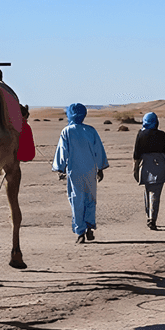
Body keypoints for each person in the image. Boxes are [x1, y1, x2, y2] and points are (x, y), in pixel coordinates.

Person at [52, 103, 108, 244]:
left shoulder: (67, 131)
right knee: (90, 198)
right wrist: (100, 168)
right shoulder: (91, 130)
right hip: (90, 170)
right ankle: (89, 227)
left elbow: (62, 151)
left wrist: (60, 168)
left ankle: (80, 231)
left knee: (77, 200)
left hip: (74, 171)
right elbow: (98, 150)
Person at [132, 111, 165, 230]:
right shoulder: (162, 135)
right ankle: (152, 218)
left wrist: (135, 169)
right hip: (159, 165)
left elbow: (136, 154)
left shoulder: (141, 134)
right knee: (155, 193)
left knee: (148, 191)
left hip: (146, 166)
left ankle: (150, 217)